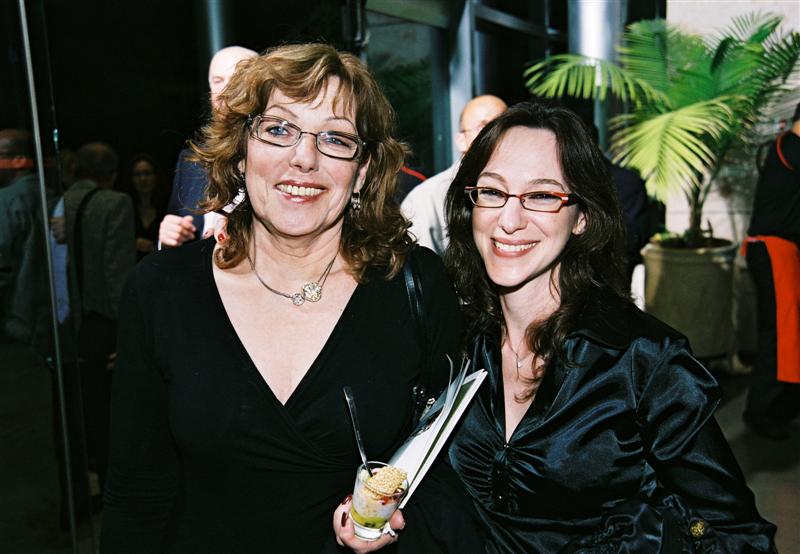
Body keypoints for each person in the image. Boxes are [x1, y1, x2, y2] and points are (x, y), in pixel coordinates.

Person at [101, 43, 481, 553]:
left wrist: (398, 519)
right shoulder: (160, 291)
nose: (304, 158)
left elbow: (455, 467)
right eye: (278, 129)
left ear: (363, 169)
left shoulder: (414, 283)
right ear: (242, 149)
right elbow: (135, 495)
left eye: (335, 138)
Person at [439, 101, 776, 552]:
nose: (510, 220)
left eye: (542, 196)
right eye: (493, 191)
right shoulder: (457, 341)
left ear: (582, 216)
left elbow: (739, 535)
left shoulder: (643, 359)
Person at [64, 142, 136, 501]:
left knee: (75, 413)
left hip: (68, 322)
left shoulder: (59, 202)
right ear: (113, 172)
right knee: (108, 415)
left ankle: (82, 488)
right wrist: (130, 337)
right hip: (104, 324)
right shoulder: (115, 204)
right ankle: (112, 491)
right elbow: (116, 275)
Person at [741, 102, 800, 441]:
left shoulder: (784, 146)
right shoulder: (792, 148)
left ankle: (779, 408)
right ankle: (763, 412)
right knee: (778, 334)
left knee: (783, 332)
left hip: (775, 250)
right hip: (774, 250)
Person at [159, 45, 257, 248]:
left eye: (238, 78)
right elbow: (174, 235)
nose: (225, 91)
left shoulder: (281, 157)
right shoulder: (191, 160)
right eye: (218, 81)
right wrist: (166, 240)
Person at [401, 95, 506, 256]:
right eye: (484, 128)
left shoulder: (522, 191)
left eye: (506, 128)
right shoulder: (425, 199)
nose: (497, 136)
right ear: (461, 140)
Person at [123, 154, 168, 260]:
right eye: (137, 174)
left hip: (161, 262)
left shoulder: (167, 206)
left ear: (156, 176)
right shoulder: (125, 208)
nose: (142, 179)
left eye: (147, 173)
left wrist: (155, 246)